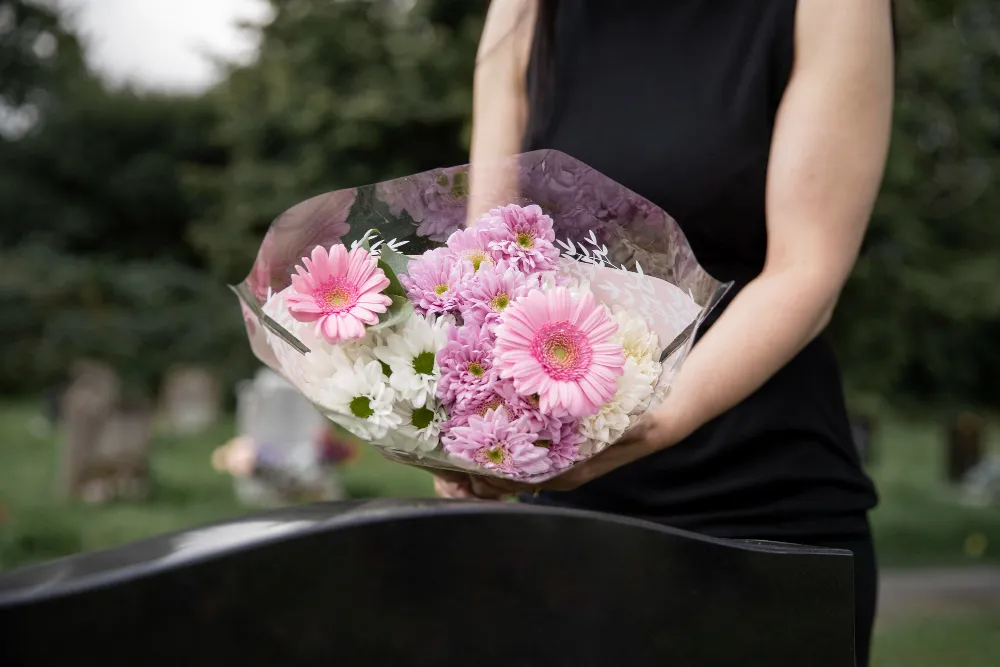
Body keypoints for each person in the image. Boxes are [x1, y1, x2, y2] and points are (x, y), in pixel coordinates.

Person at [435, 2, 894, 665]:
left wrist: (651, 417)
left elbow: (807, 271)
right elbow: (491, 262)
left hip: (760, 525)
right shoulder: (526, 10)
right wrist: (465, 420)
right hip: (559, 530)